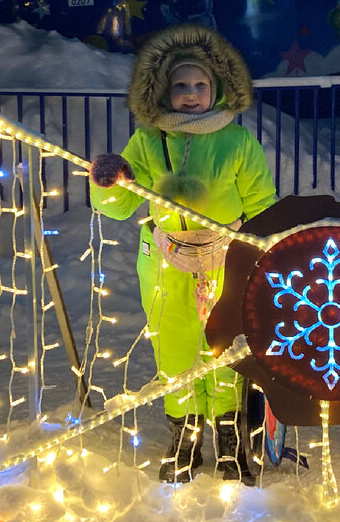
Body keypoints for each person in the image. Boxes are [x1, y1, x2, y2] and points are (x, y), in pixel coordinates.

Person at [88, 24, 276, 484]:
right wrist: (108, 181)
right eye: (179, 86)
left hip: (226, 262)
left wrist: (263, 255)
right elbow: (119, 205)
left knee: (225, 351)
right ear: (161, 90)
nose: (190, 95)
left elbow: (262, 206)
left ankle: (230, 445)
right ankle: (185, 441)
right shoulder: (148, 142)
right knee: (175, 354)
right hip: (164, 265)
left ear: (217, 89)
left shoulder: (237, 143)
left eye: (200, 85)